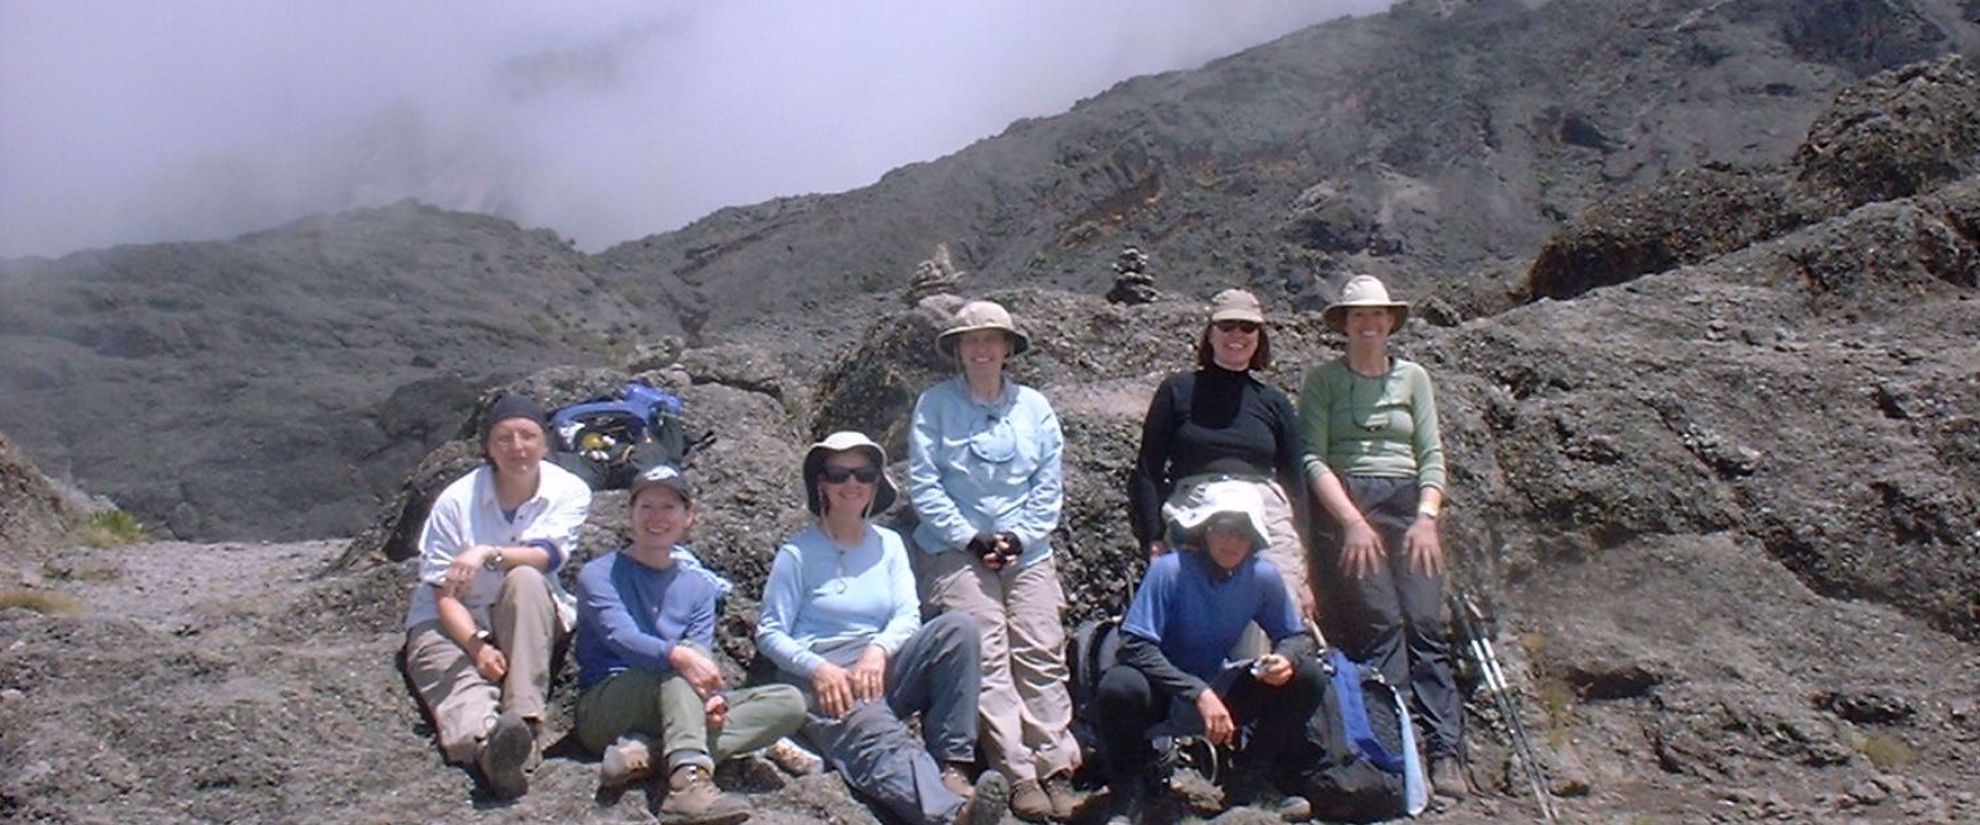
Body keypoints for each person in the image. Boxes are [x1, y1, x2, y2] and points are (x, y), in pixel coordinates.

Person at [756, 431, 1010, 825]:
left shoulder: (889, 544)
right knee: (876, 734)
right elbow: (770, 632)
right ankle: (950, 815)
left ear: (877, 481)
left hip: (882, 665)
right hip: (825, 675)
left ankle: (953, 768)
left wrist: (878, 650)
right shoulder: (797, 554)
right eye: (838, 474)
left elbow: (908, 614)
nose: (851, 484)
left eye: (863, 473)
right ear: (821, 482)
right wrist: (818, 669)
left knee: (958, 630)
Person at [907, 300, 1079, 821]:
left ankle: (1059, 767)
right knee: (984, 646)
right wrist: (970, 537)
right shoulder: (933, 406)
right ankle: (1017, 773)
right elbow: (924, 482)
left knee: (1041, 644)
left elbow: (1048, 483)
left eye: (991, 340)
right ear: (957, 350)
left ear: (1007, 348)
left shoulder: (1035, 408)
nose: (981, 349)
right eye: (970, 341)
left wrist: (1019, 539)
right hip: (955, 549)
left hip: (1026, 551)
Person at [1298, 274, 1464, 800]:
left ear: (1390, 322)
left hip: (1409, 504)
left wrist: (1427, 517)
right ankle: (1400, 748)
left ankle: (1447, 752)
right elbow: (1312, 457)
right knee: (1383, 624)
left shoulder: (1414, 378)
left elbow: (1432, 454)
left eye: (1377, 315)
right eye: (1358, 316)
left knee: (1426, 623)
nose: (1368, 325)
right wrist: (1350, 521)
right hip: (1350, 504)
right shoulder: (1322, 381)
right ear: (1344, 325)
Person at [574, 464, 807, 823]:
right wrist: (680, 659)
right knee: (680, 668)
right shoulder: (600, 574)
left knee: (789, 703)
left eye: (669, 507)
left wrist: (709, 696)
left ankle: (650, 754)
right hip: (608, 702)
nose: (657, 517)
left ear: (688, 517)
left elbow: (699, 650)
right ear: (630, 515)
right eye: (646, 507)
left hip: (677, 700)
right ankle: (687, 787)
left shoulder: (698, 588)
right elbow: (620, 637)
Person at [1093, 480, 1325, 825]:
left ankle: (1248, 775)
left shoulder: (1263, 576)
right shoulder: (1169, 570)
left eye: (1242, 532)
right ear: (1205, 528)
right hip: (1163, 689)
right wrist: (1196, 692)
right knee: (1119, 685)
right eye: (1224, 529)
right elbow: (1136, 645)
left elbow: (1296, 636)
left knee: (1308, 676)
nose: (1232, 541)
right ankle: (1130, 785)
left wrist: (1285, 659)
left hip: (1220, 687)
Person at [401, 394, 590, 799]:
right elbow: (444, 594)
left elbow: (547, 555)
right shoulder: (455, 502)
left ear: (545, 443)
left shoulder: (568, 489)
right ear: (487, 447)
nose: (517, 448)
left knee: (524, 577)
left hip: (523, 608)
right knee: (457, 682)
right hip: (451, 618)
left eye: (528, 436)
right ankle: (491, 747)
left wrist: (488, 553)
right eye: (504, 438)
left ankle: (524, 722)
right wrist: (476, 647)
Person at [1128, 288, 1313, 620]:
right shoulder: (1177, 390)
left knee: (1281, 596)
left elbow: (1294, 482)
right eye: (1227, 326)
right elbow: (1148, 469)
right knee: (1194, 599)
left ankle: (1266, 666)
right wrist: (1154, 538)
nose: (1237, 335)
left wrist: (1306, 568)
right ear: (1210, 333)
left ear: (1260, 337)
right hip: (1197, 502)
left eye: (1248, 327)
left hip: (1264, 505)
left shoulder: (1275, 402)